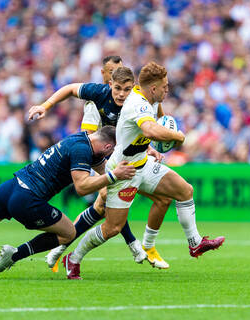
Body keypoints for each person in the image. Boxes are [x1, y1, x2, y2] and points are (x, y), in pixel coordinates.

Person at [61, 61, 225, 279]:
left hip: (142, 164)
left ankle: (195, 243)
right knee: (112, 228)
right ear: (154, 88)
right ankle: (73, 258)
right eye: (165, 86)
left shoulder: (150, 100)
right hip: (123, 172)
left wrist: (161, 135)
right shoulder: (139, 104)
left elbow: (155, 124)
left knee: (185, 191)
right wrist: (177, 136)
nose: (168, 89)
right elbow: (150, 129)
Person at [29, 59, 171, 270]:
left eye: (127, 88)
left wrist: (149, 147)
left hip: (123, 157)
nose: (121, 93)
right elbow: (88, 137)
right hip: (101, 158)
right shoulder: (96, 98)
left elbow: (148, 123)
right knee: (105, 199)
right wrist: (45, 105)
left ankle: (62, 249)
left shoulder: (138, 101)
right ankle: (133, 245)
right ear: (106, 77)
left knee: (106, 205)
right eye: (115, 80)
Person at [0, 126, 136, 278]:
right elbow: (82, 188)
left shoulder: (83, 139)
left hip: (12, 186)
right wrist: (113, 176)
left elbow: (101, 167)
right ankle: (14, 255)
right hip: (27, 198)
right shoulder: (82, 150)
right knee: (69, 232)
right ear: (108, 147)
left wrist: (114, 180)